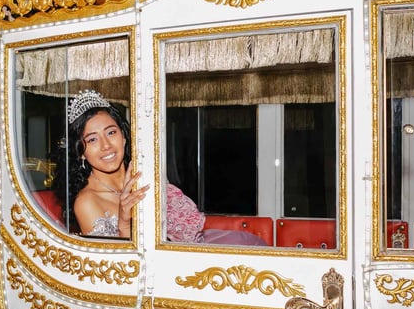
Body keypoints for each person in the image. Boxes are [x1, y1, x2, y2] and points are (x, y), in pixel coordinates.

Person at [52, 89, 267, 246]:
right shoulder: (86, 202)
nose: (106, 145)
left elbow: (186, 229)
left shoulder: (143, 173)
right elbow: (116, 272)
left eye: (111, 132)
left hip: (189, 251)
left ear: (124, 137)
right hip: (154, 279)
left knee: (251, 246)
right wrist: (124, 221)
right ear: (80, 151)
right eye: (92, 140)